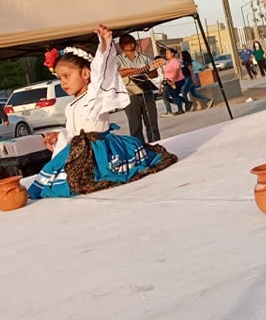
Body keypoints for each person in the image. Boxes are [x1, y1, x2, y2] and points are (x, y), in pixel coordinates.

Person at [29, 25, 177, 198]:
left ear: (85, 73)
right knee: (56, 179)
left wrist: (104, 45)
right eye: (60, 78)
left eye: (66, 76)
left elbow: (101, 71)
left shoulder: (96, 94)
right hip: (80, 150)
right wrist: (58, 136)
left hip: (101, 150)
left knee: (83, 180)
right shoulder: (70, 106)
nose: (63, 82)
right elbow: (73, 133)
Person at [116, 34, 162, 143]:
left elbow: (154, 73)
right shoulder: (117, 60)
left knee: (152, 123)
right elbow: (117, 73)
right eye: (125, 42)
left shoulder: (144, 57)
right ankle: (140, 149)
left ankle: (156, 146)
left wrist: (149, 70)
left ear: (135, 42)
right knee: (135, 125)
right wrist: (137, 70)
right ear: (121, 45)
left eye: (131, 41)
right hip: (129, 95)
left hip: (146, 92)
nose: (129, 44)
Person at [161, 47, 188, 115]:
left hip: (177, 80)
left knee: (173, 95)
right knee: (172, 95)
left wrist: (173, 81)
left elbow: (176, 71)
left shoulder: (175, 61)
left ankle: (182, 108)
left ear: (172, 54)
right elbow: (165, 72)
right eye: (166, 53)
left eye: (168, 53)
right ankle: (184, 105)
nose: (166, 54)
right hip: (169, 81)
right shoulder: (167, 62)